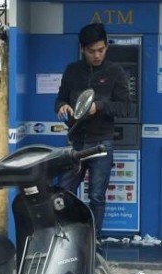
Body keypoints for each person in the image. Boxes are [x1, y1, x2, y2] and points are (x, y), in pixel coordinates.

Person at [54, 23, 131, 239]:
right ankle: (64, 236)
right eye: (91, 51)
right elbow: (60, 97)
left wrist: (100, 106)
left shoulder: (115, 72)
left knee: (97, 195)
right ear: (82, 49)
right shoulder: (72, 70)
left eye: (101, 50)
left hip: (101, 144)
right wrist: (61, 106)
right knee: (63, 191)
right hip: (76, 143)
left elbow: (126, 107)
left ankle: (93, 240)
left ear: (106, 47)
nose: (97, 55)